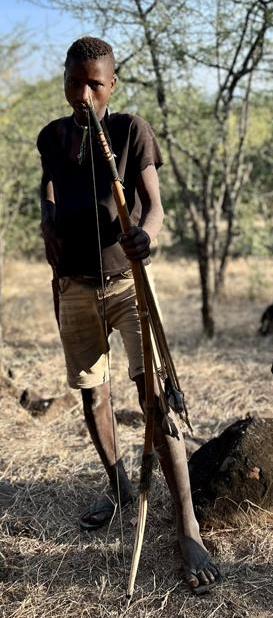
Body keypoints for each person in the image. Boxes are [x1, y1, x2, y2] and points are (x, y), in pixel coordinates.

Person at [37, 36, 220, 594]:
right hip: (74, 286)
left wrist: (148, 237)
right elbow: (46, 194)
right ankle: (118, 484)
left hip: (126, 283)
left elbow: (156, 206)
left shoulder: (130, 130)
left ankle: (186, 526)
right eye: (76, 82)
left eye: (96, 82)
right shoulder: (52, 137)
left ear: (111, 84)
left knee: (156, 397)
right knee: (92, 392)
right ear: (65, 81)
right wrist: (49, 232)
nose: (85, 93)